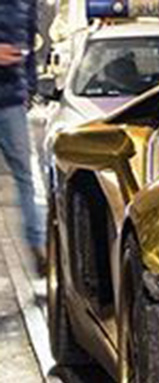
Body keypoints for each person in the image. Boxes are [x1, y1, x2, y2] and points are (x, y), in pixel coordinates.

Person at [0, 0, 45, 275]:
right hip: (12, 99)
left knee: (26, 176)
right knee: (25, 177)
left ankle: (37, 246)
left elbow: (29, 41)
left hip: (12, 101)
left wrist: (30, 88)